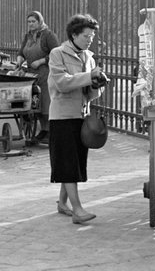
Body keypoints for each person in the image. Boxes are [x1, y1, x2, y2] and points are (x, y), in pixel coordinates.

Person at [47, 14, 107, 224]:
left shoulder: (88, 58)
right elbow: (62, 84)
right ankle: (77, 210)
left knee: (74, 162)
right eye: (86, 36)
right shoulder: (57, 54)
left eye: (92, 37)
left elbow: (87, 93)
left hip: (81, 116)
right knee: (68, 162)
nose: (90, 40)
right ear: (73, 35)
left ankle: (63, 203)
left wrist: (96, 85)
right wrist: (89, 76)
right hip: (62, 116)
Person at [16, 11, 60, 145]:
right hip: (31, 74)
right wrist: (19, 59)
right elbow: (21, 51)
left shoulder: (48, 35)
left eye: (33, 21)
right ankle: (44, 130)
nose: (30, 24)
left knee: (46, 103)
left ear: (40, 21)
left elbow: (56, 54)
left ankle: (50, 131)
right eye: (28, 22)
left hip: (45, 74)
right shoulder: (28, 36)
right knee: (36, 104)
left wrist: (41, 61)